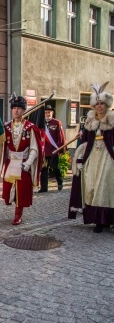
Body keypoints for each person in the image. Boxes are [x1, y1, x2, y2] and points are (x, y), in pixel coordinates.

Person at [68, 82, 114, 233]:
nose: (99, 106)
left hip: (108, 157)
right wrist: (79, 159)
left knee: (105, 187)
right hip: (92, 156)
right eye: (97, 103)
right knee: (92, 187)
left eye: (102, 103)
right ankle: (98, 220)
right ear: (94, 105)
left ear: (107, 105)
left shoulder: (112, 120)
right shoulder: (89, 121)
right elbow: (85, 141)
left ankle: (107, 220)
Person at [0, 95, 43, 225]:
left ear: (24, 110)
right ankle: (15, 208)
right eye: (14, 108)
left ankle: (18, 214)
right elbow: (1, 145)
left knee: (21, 190)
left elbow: (34, 148)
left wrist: (28, 163)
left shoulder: (30, 127)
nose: (16, 111)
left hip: (23, 163)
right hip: (11, 162)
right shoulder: (6, 127)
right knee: (10, 188)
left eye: (19, 108)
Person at [38, 104, 66, 192]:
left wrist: (61, 149)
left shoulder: (57, 123)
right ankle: (44, 187)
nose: (47, 114)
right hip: (44, 151)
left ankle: (60, 182)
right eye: (46, 112)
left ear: (52, 113)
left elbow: (61, 136)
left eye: (49, 112)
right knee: (43, 169)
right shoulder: (41, 123)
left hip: (53, 150)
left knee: (55, 167)